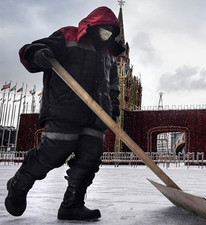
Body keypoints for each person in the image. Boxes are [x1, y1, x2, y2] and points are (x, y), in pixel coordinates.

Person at [5, 6, 124, 221]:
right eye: (103, 30)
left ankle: (72, 204)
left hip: (97, 117)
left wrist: (113, 105)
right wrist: (37, 55)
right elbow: (30, 49)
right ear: (93, 26)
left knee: (90, 159)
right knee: (53, 153)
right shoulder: (68, 36)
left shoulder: (108, 54)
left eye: (110, 33)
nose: (106, 36)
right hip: (65, 109)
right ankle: (19, 183)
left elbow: (113, 84)